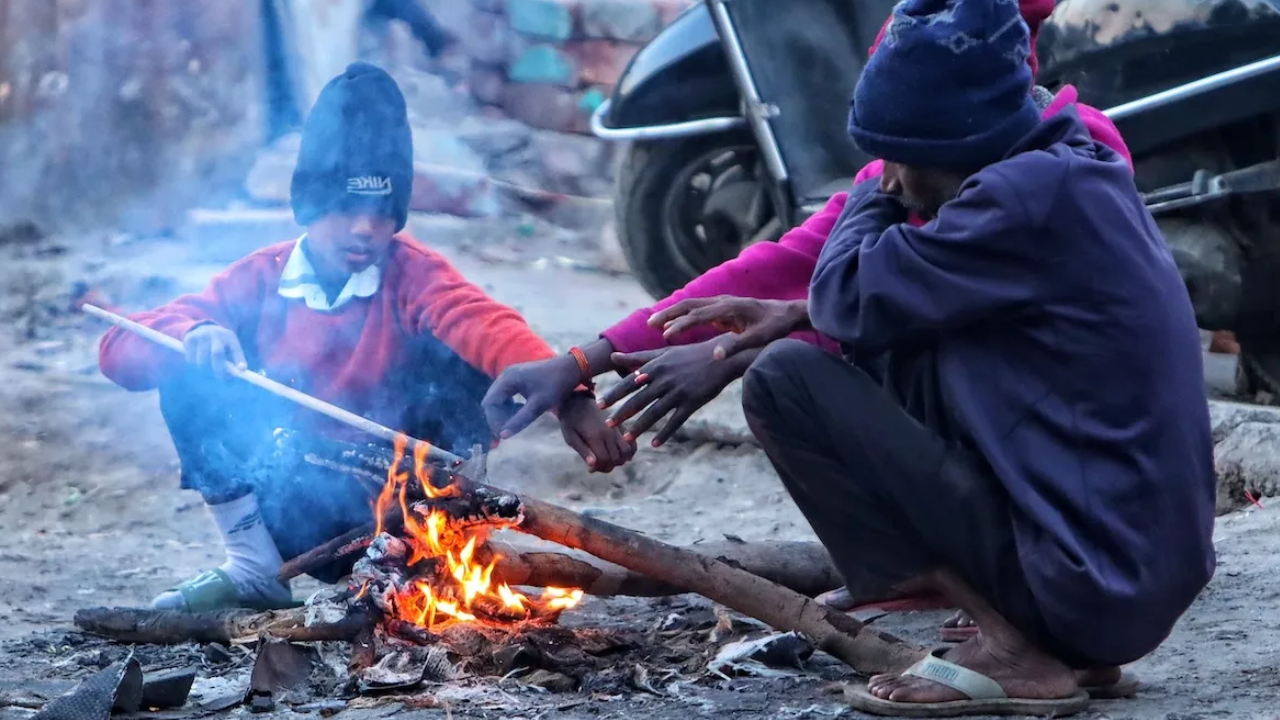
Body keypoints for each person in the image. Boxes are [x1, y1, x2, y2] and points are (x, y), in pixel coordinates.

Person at [481, 0, 1133, 629]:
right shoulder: (927, 165)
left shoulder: (1053, 182)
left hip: (1087, 507)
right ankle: (924, 576)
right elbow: (782, 266)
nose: (886, 178)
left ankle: (1016, 598)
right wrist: (581, 361)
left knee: (806, 370)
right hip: (1059, 491)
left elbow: (907, 307)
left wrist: (735, 352)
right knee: (810, 359)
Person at [735, 0, 1216, 714]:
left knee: (785, 383)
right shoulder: (1063, 170)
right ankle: (1062, 649)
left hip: (1093, 581)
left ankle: (1015, 646)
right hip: (1121, 576)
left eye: (902, 158)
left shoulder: (1024, 197)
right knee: (899, 352)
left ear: (961, 144)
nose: (896, 179)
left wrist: (872, 192)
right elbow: (872, 311)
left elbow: (841, 295)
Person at [97, 62, 624, 612]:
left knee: (460, 357)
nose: (365, 229)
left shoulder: (414, 273)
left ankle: (433, 562)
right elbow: (118, 350)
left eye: (380, 211)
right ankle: (255, 570)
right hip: (292, 502)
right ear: (309, 205)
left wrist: (570, 393)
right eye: (346, 208)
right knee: (186, 364)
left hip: (394, 505)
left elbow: (489, 326)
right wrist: (196, 333)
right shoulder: (260, 277)